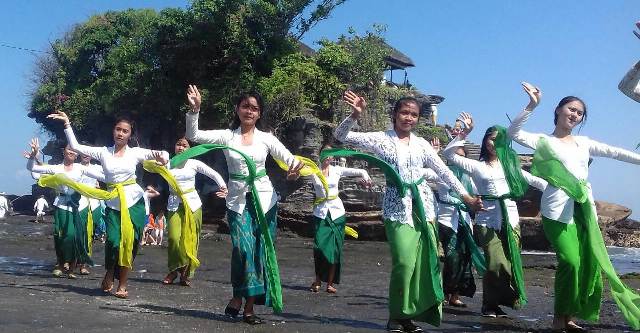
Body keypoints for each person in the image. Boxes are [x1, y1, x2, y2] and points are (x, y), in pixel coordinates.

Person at [335, 91, 483, 333]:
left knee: (423, 264)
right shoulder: (381, 138)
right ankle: (396, 315)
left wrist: (465, 196)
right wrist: (354, 115)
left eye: (414, 114)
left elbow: (444, 172)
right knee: (404, 262)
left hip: (424, 208)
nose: (409, 118)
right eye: (404, 112)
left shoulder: (422, 144)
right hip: (396, 207)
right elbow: (341, 136)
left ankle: (409, 317)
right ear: (395, 115)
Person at [507, 82, 640, 331]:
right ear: (558, 110)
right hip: (556, 211)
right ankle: (559, 318)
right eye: (571, 109)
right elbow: (513, 134)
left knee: (585, 263)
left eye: (580, 113)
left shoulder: (583, 142)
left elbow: (616, 152)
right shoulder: (543, 140)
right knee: (570, 261)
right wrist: (531, 106)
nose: (575, 115)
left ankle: (568, 317)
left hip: (583, 209)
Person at [185, 85, 303, 325]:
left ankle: (247, 305)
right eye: (245, 106)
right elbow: (194, 136)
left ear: (260, 114)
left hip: (264, 200)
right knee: (242, 249)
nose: (250, 111)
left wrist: (294, 171)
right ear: (238, 109)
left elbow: (290, 160)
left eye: (255, 108)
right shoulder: (227, 136)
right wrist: (195, 109)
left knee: (258, 251)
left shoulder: (266, 138)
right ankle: (239, 295)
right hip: (237, 200)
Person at [47, 111, 169, 299]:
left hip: (134, 203)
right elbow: (76, 146)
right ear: (113, 131)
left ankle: (123, 283)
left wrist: (164, 158)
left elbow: (161, 153)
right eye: (118, 129)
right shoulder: (103, 152)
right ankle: (110, 272)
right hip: (113, 203)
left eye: (125, 131)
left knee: (130, 243)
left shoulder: (135, 153)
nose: (120, 133)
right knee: (113, 242)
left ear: (130, 135)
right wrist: (67, 124)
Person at [441, 113, 547, 318]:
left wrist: (561, 190)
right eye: (491, 137)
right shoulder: (476, 165)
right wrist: (464, 134)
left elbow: (536, 182)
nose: (494, 142)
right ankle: (499, 300)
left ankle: (490, 305)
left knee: (501, 266)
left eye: (499, 138)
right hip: (486, 221)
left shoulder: (511, 167)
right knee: (496, 263)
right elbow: (449, 154)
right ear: (485, 141)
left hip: (511, 221)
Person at [26, 139, 105, 278]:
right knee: (61, 235)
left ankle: (72, 266)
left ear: (77, 154)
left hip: (79, 205)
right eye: (69, 149)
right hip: (62, 204)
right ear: (64, 151)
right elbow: (32, 170)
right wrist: (34, 156)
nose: (71, 151)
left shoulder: (82, 168)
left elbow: (105, 176)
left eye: (74, 150)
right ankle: (61, 263)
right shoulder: (56, 168)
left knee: (75, 235)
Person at [161, 137, 227, 286]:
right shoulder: (168, 164)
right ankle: (173, 269)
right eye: (178, 144)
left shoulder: (194, 163)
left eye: (185, 145)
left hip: (192, 203)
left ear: (190, 149)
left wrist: (222, 186)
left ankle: (186, 274)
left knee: (190, 239)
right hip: (174, 203)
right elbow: (151, 166)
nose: (181, 148)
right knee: (173, 238)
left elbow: (213, 174)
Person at [309, 144, 371, 294]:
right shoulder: (313, 171)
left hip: (337, 213)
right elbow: (295, 172)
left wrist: (367, 178)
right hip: (320, 213)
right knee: (319, 248)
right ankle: (317, 279)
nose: (329, 156)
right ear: (320, 153)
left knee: (335, 250)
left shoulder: (337, 170)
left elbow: (360, 171)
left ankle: (329, 283)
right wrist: (291, 173)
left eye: (331, 153)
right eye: (326, 152)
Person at [430, 140, 479, 309]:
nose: (458, 161)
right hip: (446, 219)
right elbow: (427, 171)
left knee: (465, 258)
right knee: (451, 257)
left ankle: (455, 295)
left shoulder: (469, 178)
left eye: (462, 158)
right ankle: (443, 293)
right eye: (455, 157)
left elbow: (479, 192)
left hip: (464, 221)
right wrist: (435, 153)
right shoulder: (442, 173)